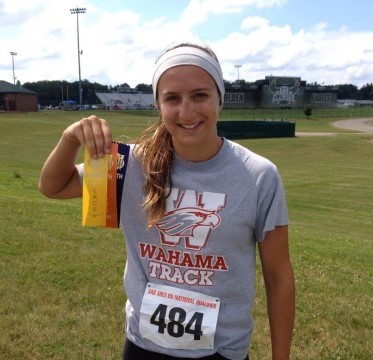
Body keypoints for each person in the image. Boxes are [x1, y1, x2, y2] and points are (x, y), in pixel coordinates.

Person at [38, 42, 295, 360]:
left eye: (200, 95)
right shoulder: (126, 166)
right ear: (159, 105)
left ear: (220, 99)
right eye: (172, 98)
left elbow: (278, 276)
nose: (187, 112)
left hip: (221, 351)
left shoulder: (258, 176)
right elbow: (52, 186)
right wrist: (70, 139)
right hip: (144, 346)